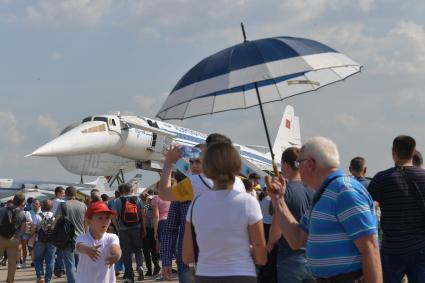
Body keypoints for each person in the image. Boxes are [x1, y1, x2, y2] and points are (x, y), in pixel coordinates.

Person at [269, 136, 382, 282]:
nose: (298, 168)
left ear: (310, 164)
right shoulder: (324, 193)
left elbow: (370, 248)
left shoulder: (344, 190)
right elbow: (296, 239)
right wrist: (278, 201)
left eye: (299, 162)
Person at [183, 142, 267, 282]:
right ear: (236, 167)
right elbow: (261, 258)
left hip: (206, 275)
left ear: (208, 168)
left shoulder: (196, 204)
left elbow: (187, 256)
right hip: (242, 275)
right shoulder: (248, 202)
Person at [368, 135, 425, 282]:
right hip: (420, 247)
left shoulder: (382, 178)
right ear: (413, 153)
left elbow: (367, 206)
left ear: (393, 152)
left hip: (392, 247)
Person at [267, 147, 315, 283]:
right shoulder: (314, 189)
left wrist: (269, 244)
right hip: (314, 258)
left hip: (290, 259)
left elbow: (277, 230)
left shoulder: (284, 193)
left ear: (285, 164)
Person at [158, 133, 246, 202]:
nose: (194, 165)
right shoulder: (239, 182)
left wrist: (169, 162)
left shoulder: (196, 182)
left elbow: (164, 194)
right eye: (191, 162)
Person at [161, 150, 203, 283]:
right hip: (186, 261)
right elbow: (170, 229)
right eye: (192, 162)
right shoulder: (182, 190)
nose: (194, 166)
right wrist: (167, 261)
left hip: (213, 259)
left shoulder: (220, 189)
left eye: (198, 162)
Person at [76, 201, 121, 283]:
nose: (105, 221)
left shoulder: (112, 237)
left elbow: (116, 248)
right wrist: (87, 249)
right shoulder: (83, 237)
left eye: (107, 218)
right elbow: (79, 246)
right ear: (89, 221)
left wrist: (117, 255)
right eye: (100, 218)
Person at [111, 183, 146, 283]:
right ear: (131, 190)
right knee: (138, 249)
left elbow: (113, 215)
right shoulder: (137, 199)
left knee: (126, 253)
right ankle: (140, 266)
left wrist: (117, 227)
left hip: (123, 230)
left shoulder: (117, 200)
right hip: (136, 228)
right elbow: (143, 215)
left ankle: (130, 277)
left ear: (123, 191)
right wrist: (143, 228)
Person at [54, 186, 87, 283]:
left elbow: (56, 219)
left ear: (66, 194)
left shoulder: (63, 205)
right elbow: (86, 223)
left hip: (67, 238)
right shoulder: (83, 205)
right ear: (75, 194)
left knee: (69, 265)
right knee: (80, 264)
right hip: (81, 238)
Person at [0, 192, 27, 282]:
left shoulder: (2, 210)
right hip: (14, 239)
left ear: (13, 199)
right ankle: (10, 280)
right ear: (22, 202)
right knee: (12, 263)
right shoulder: (23, 214)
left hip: (1, 238)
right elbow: (22, 230)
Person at [32, 199, 56, 283]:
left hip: (40, 240)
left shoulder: (38, 216)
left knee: (38, 259)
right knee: (50, 261)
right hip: (52, 241)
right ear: (51, 207)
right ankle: (48, 280)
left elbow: (34, 229)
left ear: (41, 206)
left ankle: (40, 276)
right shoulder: (55, 216)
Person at [142, 195, 160, 277]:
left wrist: (144, 230)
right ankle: (155, 266)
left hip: (148, 230)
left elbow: (144, 219)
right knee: (152, 250)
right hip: (154, 230)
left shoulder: (145, 208)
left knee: (147, 251)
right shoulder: (157, 207)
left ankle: (150, 269)